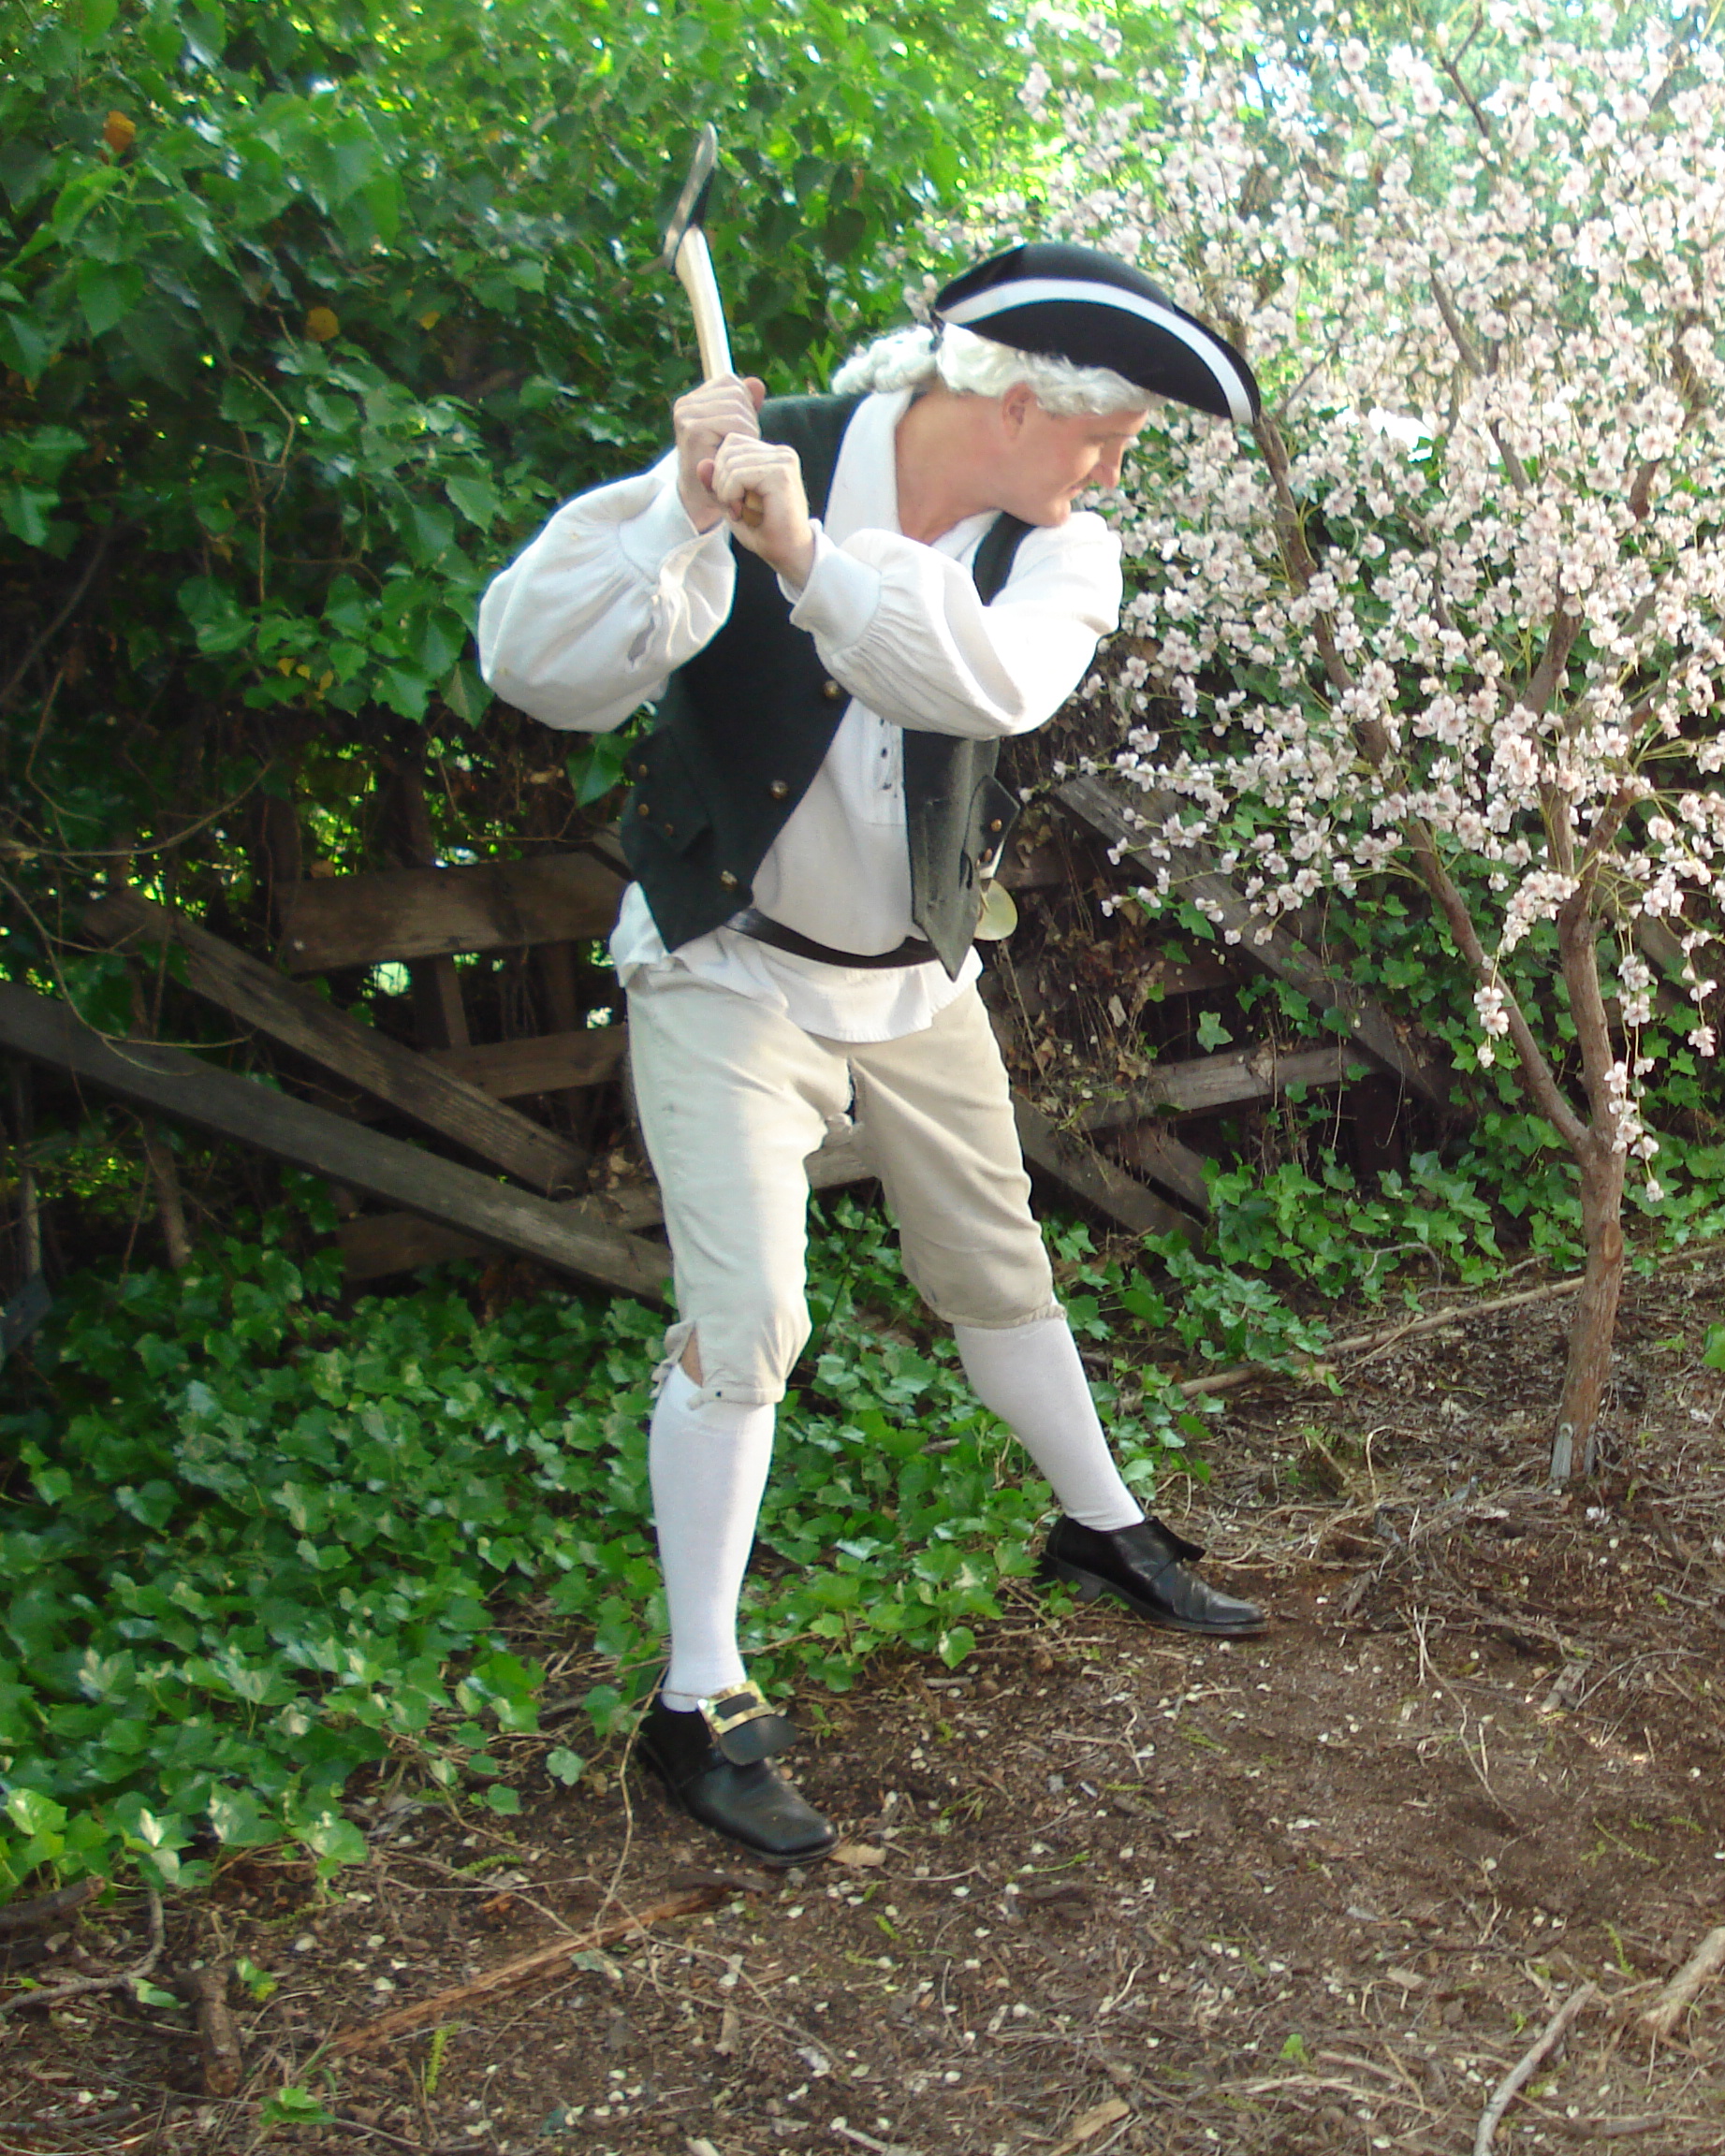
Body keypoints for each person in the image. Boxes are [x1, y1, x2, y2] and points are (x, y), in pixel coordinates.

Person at [477, 244, 1270, 1867]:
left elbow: (980, 682)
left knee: (999, 1265)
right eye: (1105, 430)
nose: (1115, 468)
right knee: (749, 1319)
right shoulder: (753, 462)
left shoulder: (1068, 553)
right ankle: (699, 1703)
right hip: (728, 969)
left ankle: (1100, 1526)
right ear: (1018, 399)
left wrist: (812, 558)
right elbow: (531, 665)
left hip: (917, 977)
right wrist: (683, 516)